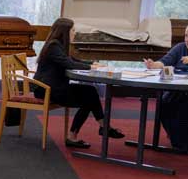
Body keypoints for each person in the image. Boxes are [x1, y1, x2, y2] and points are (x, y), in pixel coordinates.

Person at [33, 17, 125, 148]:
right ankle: (98, 128)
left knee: (90, 93)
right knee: (89, 96)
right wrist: (90, 67)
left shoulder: (57, 45)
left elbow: (72, 59)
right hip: (47, 89)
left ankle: (100, 128)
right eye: (73, 30)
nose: (74, 33)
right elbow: (69, 64)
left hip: (54, 87)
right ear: (64, 31)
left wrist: (92, 64)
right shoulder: (54, 46)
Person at [143, 23, 188, 151]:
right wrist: (153, 65)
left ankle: (184, 142)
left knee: (184, 107)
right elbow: (165, 61)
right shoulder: (180, 48)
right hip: (177, 90)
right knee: (164, 104)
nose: (187, 39)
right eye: (186, 35)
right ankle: (178, 141)